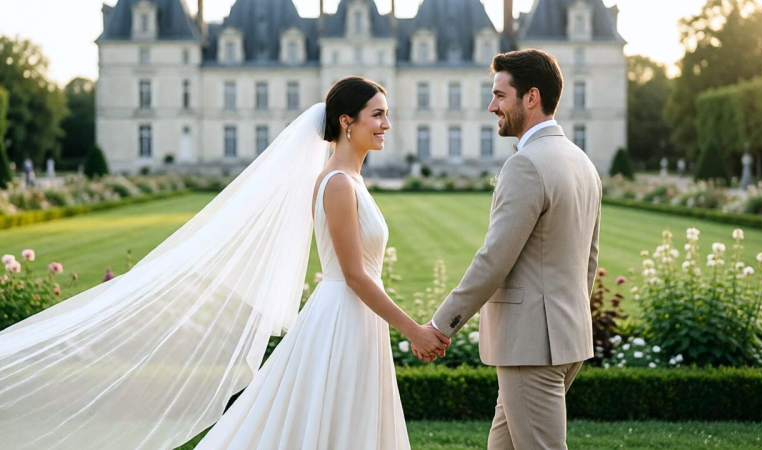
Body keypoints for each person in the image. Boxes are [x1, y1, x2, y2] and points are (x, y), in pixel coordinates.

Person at [0, 77, 449, 449]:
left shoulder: (351, 178)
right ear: (347, 122)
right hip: (343, 314)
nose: (387, 123)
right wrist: (413, 329)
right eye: (378, 114)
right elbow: (353, 274)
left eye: (386, 113)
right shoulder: (336, 184)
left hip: (356, 317)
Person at [418, 49, 602, 449]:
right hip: (564, 339)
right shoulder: (581, 161)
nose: (491, 106)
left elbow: (494, 259)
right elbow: (589, 259)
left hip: (530, 346)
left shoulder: (526, 165)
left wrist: (440, 324)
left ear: (531, 97)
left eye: (500, 96)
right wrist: (568, 319)